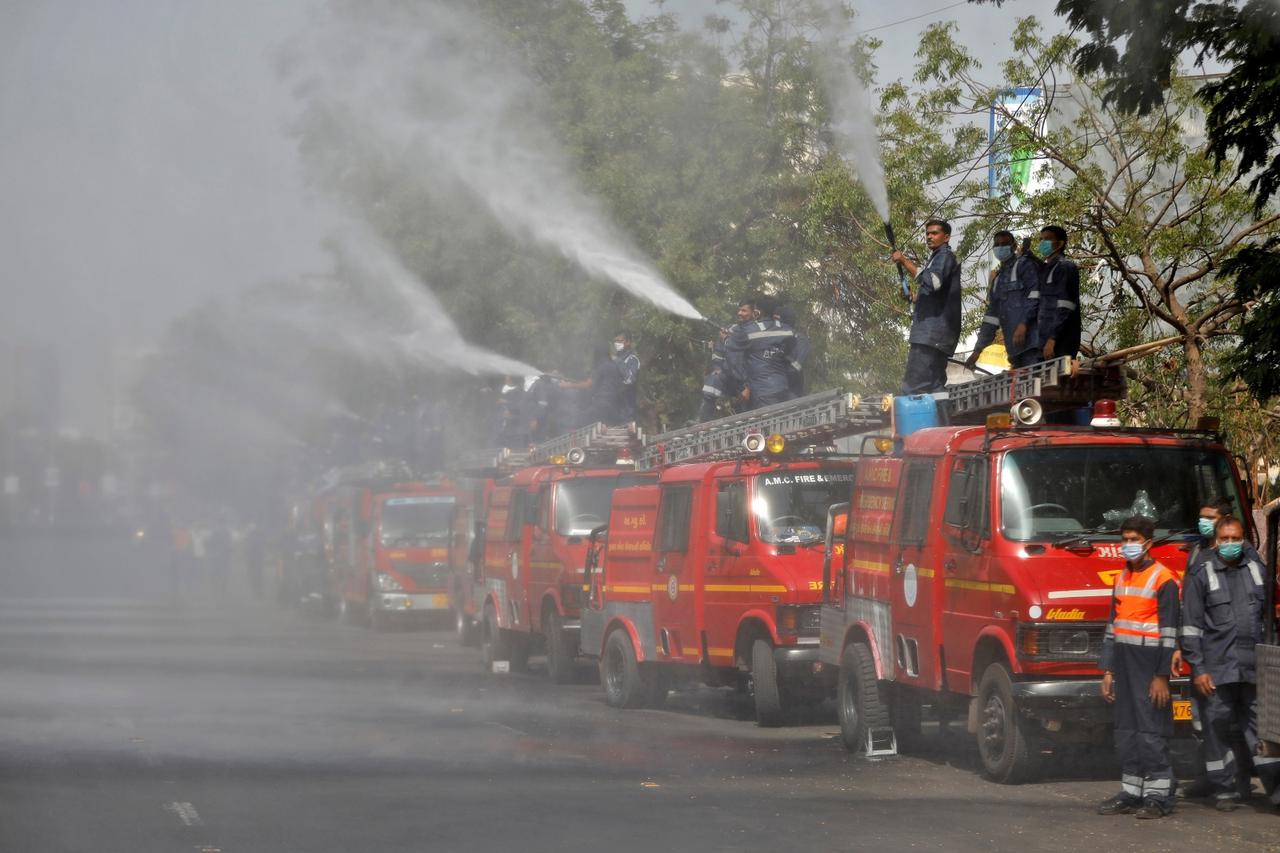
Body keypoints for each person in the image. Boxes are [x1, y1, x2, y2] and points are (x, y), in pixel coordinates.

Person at [1180, 515, 1280, 810]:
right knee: (1217, 728)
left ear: (1244, 540)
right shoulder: (1201, 573)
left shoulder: (1256, 570)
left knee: (1264, 729)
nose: (1230, 544)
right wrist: (1198, 668)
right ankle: (1224, 789)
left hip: (1254, 667)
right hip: (1217, 668)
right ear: (1216, 541)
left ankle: (1275, 789)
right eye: (1225, 539)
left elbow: (1269, 620)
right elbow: (1191, 628)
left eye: (1236, 538)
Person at [1098, 515, 1181, 819]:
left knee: (1150, 731)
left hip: (1149, 666)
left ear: (1148, 542)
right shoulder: (1121, 577)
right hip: (1123, 662)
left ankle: (1159, 797)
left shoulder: (1164, 579)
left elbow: (1170, 632)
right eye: (1125, 540)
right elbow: (1112, 626)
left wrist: (1161, 677)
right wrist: (1108, 670)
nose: (1128, 545)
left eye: (1134, 540)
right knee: (1126, 730)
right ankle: (1132, 792)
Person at [892, 219, 962, 395]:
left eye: (934, 233)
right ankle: (943, 421)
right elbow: (937, 295)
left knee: (912, 388)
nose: (929, 236)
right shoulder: (937, 258)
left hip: (930, 336)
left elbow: (933, 282)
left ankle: (916, 423)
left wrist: (904, 261)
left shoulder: (945, 256)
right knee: (936, 390)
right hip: (937, 337)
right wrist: (915, 298)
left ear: (946, 237)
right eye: (927, 233)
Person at [965, 230, 1042, 370]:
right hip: (1014, 351)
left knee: (1036, 386)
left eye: (1004, 244)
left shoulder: (1024, 266)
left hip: (1033, 346)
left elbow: (1035, 297)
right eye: (997, 244)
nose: (1000, 247)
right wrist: (977, 351)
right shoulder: (997, 280)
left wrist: (1023, 324)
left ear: (1013, 246)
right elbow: (991, 318)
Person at [725, 294, 796, 409]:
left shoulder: (749, 331)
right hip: (783, 387)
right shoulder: (787, 330)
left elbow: (733, 356)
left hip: (762, 392)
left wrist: (743, 386)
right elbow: (790, 351)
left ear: (758, 311)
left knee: (767, 424)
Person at [1036, 225, 1082, 360]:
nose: (1042, 243)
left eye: (1047, 239)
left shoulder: (1065, 267)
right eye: (1041, 239)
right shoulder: (1045, 270)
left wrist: (1052, 339)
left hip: (1059, 345)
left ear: (1060, 243)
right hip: (1042, 344)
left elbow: (1065, 306)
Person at [777, 304, 810, 398]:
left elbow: (796, 367)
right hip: (790, 390)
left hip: (791, 390)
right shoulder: (803, 340)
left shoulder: (800, 340)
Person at [613, 332, 641, 424]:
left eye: (620, 341)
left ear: (628, 342)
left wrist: (617, 361)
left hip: (627, 411)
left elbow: (629, 379)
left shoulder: (633, 359)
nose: (617, 344)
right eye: (615, 341)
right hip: (613, 410)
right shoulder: (614, 359)